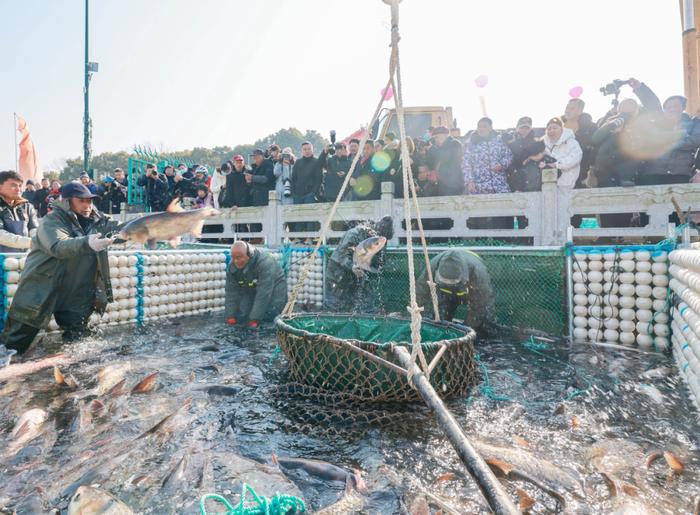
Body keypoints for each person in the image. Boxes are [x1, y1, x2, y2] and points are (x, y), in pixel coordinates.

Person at [0, 182, 116, 355]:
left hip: (76, 288)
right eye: (81, 201)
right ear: (68, 201)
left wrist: (144, 229)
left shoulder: (99, 220)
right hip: (42, 284)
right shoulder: (53, 220)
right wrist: (87, 242)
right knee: (16, 339)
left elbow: (121, 231)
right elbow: (58, 246)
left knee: (80, 338)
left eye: (90, 201)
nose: (87, 205)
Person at [416, 249, 497, 334]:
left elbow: (479, 307)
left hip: (472, 294)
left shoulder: (478, 273)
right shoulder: (432, 266)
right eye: (445, 281)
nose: (449, 284)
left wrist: (466, 331)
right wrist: (414, 314)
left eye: (452, 282)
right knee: (440, 320)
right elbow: (420, 292)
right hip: (445, 294)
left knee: (484, 321)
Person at [324, 216, 393, 312]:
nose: (383, 242)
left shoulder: (381, 241)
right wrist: (353, 267)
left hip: (357, 276)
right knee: (333, 306)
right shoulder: (354, 234)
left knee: (365, 305)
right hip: (337, 273)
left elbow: (379, 264)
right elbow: (341, 257)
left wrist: (369, 269)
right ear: (374, 232)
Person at [638, 95, 700, 185]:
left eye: (675, 106)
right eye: (669, 107)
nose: (672, 109)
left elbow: (694, 141)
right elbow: (652, 140)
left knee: (677, 199)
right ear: (665, 110)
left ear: (683, 107)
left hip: (681, 173)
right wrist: (680, 136)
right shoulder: (656, 124)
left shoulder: (694, 122)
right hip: (653, 173)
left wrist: (667, 142)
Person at [225, 241, 287, 328]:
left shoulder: (265, 263)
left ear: (249, 255)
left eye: (239, 258)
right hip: (251, 287)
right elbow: (231, 292)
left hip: (274, 289)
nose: (236, 261)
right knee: (242, 314)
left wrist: (254, 320)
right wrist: (230, 316)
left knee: (270, 316)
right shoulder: (232, 266)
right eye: (233, 258)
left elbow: (263, 294)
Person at [462, 118, 513, 195]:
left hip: (499, 186)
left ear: (490, 128)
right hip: (478, 188)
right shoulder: (471, 144)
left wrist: (501, 165)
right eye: (479, 126)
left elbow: (508, 155)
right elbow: (466, 164)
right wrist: (469, 181)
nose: (481, 129)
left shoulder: (499, 141)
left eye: (484, 126)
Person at [0, 171, 39, 253]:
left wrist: (37, 240)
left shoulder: (27, 206)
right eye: (13, 185)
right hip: (2, 259)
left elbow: (34, 228)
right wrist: (30, 242)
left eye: (20, 186)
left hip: (25, 257)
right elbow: (1, 236)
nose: (18, 189)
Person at [562, 99, 597, 188]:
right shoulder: (559, 126)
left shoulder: (591, 127)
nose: (568, 110)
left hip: (583, 166)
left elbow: (595, 146)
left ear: (580, 111)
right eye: (567, 108)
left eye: (572, 108)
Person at [541, 117, 583, 190]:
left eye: (555, 128)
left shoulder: (571, 142)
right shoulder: (542, 145)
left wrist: (556, 165)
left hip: (568, 181)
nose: (552, 130)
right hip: (548, 184)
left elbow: (575, 158)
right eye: (549, 129)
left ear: (561, 128)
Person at [426, 126, 464, 196]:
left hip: (453, 184)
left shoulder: (455, 143)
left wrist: (432, 149)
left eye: (436, 137)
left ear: (444, 135)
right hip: (443, 183)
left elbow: (446, 158)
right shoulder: (439, 147)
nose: (435, 140)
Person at [505, 116, 540, 192]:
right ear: (517, 128)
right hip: (514, 178)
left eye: (527, 128)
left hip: (531, 179)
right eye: (522, 128)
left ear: (530, 129)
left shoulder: (536, 142)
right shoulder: (510, 141)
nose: (524, 130)